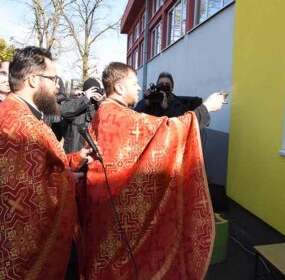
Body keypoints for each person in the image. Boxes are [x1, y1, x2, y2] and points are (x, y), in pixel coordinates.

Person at [78, 62, 225, 280]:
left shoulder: (106, 111)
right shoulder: (117, 114)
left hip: (105, 205)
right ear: (119, 87)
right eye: (134, 83)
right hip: (117, 209)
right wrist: (205, 109)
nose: (139, 88)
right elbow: (165, 131)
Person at [0, 46, 94, 279]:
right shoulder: (19, 125)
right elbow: (20, 194)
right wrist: (67, 182)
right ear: (33, 80)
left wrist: (75, 160)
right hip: (27, 255)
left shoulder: (21, 114)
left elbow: (41, 170)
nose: (57, 87)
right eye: (53, 79)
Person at [134, 71, 225, 128]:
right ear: (156, 86)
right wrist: (146, 103)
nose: (164, 86)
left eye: (167, 84)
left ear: (172, 87)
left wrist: (166, 108)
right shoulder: (150, 100)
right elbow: (134, 118)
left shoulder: (178, 103)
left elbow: (182, 124)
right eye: (161, 84)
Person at [61, 77, 104, 153]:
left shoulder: (99, 107)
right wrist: (85, 98)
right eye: (92, 90)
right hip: (74, 153)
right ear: (85, 91)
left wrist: (100, 101)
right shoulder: (76, 103)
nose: (95, 93)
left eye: (97, 90)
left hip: (92, 153)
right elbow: (63, 110)